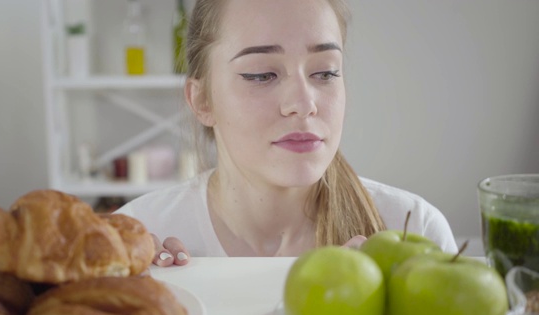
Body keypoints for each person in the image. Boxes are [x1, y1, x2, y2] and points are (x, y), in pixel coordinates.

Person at [115, 0, 458, 267]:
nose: (304, 103)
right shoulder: (137, 232)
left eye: (325, 72)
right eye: (262, 75)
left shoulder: (416, 232)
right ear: (202, 100)